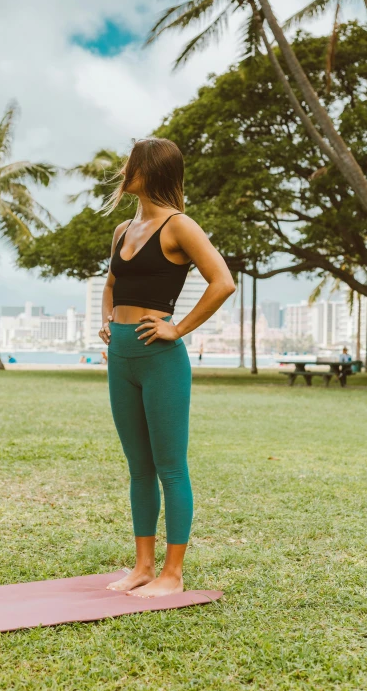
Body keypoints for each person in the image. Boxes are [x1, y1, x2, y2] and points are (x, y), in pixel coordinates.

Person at [98, 137, 235, 598]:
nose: (123, 169)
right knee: (139, 468)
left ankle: (172, 575)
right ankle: (142, 567)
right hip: (122, 355)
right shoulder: (122, 230)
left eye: (130, 162)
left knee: (170, 467)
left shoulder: (180, 226)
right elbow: (112, 284)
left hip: (160, 360)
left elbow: (223, 282)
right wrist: (107, 322)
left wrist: (179, 329)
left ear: (151, 170)